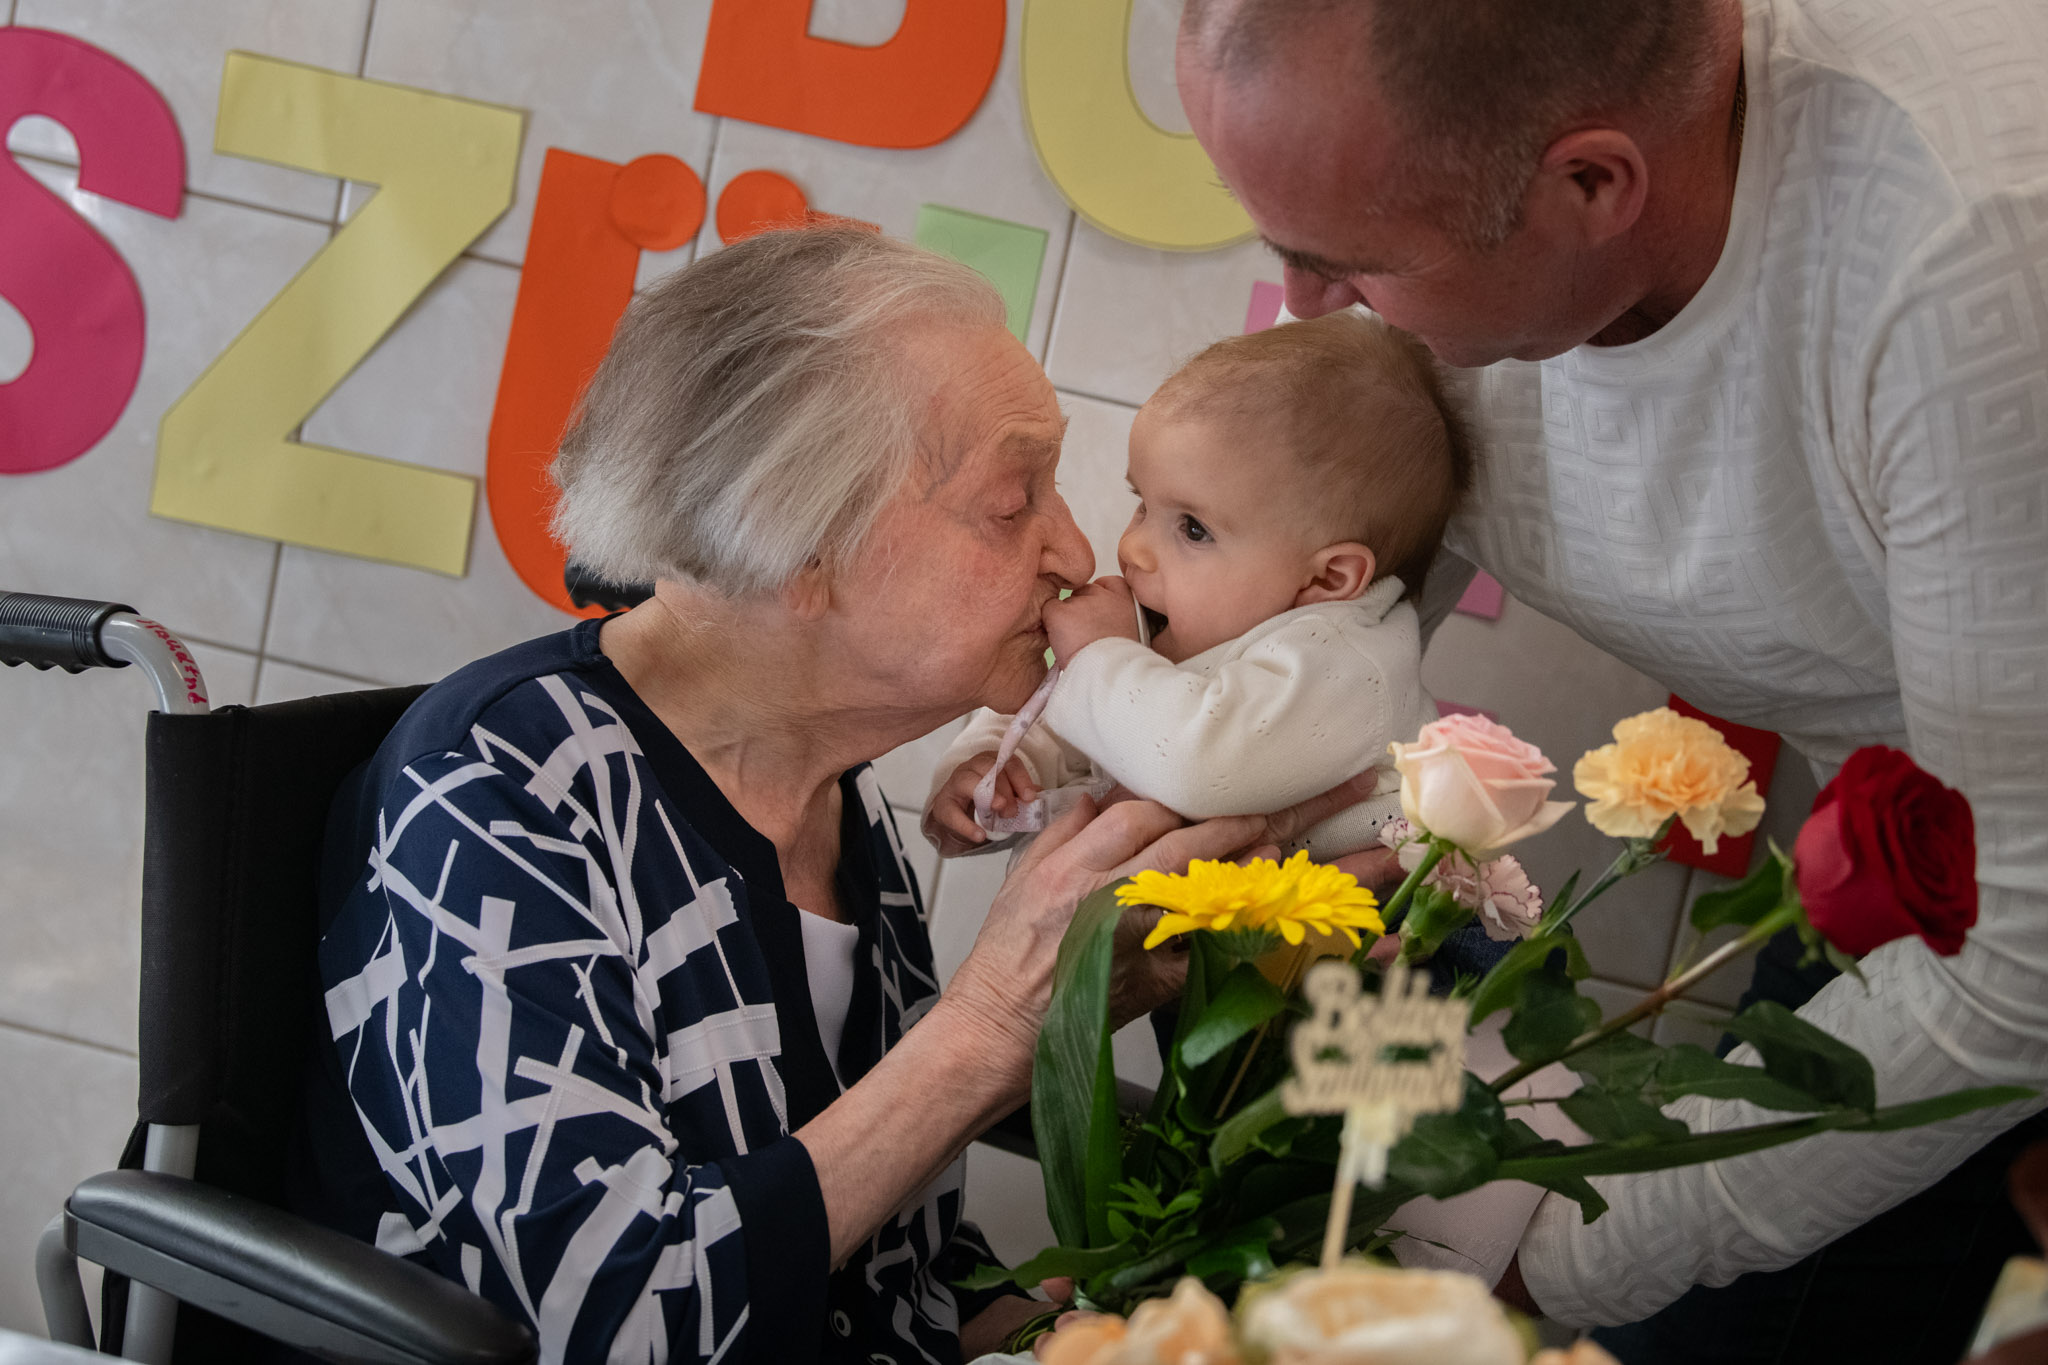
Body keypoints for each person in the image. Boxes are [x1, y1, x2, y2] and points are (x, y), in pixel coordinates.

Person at [303, 226, 1375, 1365]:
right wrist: (992, 1029)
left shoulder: (828, 807)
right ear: (796, 541)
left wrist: (1130, 1324)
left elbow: (878, 1265)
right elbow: (616, 1321)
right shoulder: (500, 793)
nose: (1074, 554)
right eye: (1014, 500)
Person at [1173, 0, 2048, 1359]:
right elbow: (1292, 593)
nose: (1304, 304)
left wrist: (1568, 1253)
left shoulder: (1974, 265)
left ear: (1592, 184)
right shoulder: (1479, 233)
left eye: (1351, 261)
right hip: (1928, 842)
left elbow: (2021, 962)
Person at [923, 311, 1459, 867]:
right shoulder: (1181, 623)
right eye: (1142, 505)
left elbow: (1192, 762)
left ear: (1327, 579)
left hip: (1386, 938)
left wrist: (1098, 655)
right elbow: (1083, 709)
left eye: (1193, 529)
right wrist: (999, 765)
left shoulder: (1344, 664)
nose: (1132, 548)